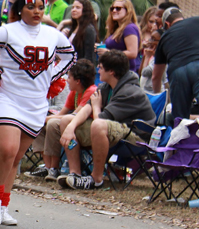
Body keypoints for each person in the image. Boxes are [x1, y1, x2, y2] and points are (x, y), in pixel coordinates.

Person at [0, 0, 76, 225]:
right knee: (7, 150)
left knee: (16, 156)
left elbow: (70, 55)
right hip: (6, 99)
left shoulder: (53, 35)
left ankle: (4, 205)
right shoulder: (7, 31)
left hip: (35, 103)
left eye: (41, 7)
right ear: (20, 9)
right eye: (31, 6)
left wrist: (53, 75)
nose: (37, 11)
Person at [55, 50, 155, 190]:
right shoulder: (106, 87)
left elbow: (99, 118)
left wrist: (96, 106)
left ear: (111, 72)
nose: (98, 70)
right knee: (67, 120)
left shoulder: (130, 92)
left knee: (98, 124)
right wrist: (71, 127)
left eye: (101, 67)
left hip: (136, 138)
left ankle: (96, 179)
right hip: (114, 130)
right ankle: (75, 173)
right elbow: (87, 108)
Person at [151, 8, 199, 123]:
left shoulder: (165, 37)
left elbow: (155, 77)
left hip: (177, 72)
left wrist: (158, 98)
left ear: (167, 24)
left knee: (180, 122)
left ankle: (181, 139)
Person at [28, 59, 97, 180]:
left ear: (78, 81)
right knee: (39, 122)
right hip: (71, 123)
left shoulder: (90, 91)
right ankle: (48, 166)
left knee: (53, 123)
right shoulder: (74, 92)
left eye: (69, 77)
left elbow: (75, 115)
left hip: (83, 126)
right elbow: (63, 113)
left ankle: (54, 167)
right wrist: (44, 118)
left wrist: (49, 118)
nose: (67, 80)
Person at [103, 0, 141, 72]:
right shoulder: (117, 29)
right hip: (113, 71)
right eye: (112, 8)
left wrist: (109, 53)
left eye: (118, 8)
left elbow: (133, 53)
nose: (114, 11)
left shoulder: (129, 28)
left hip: (124, 72)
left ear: (128, 11)